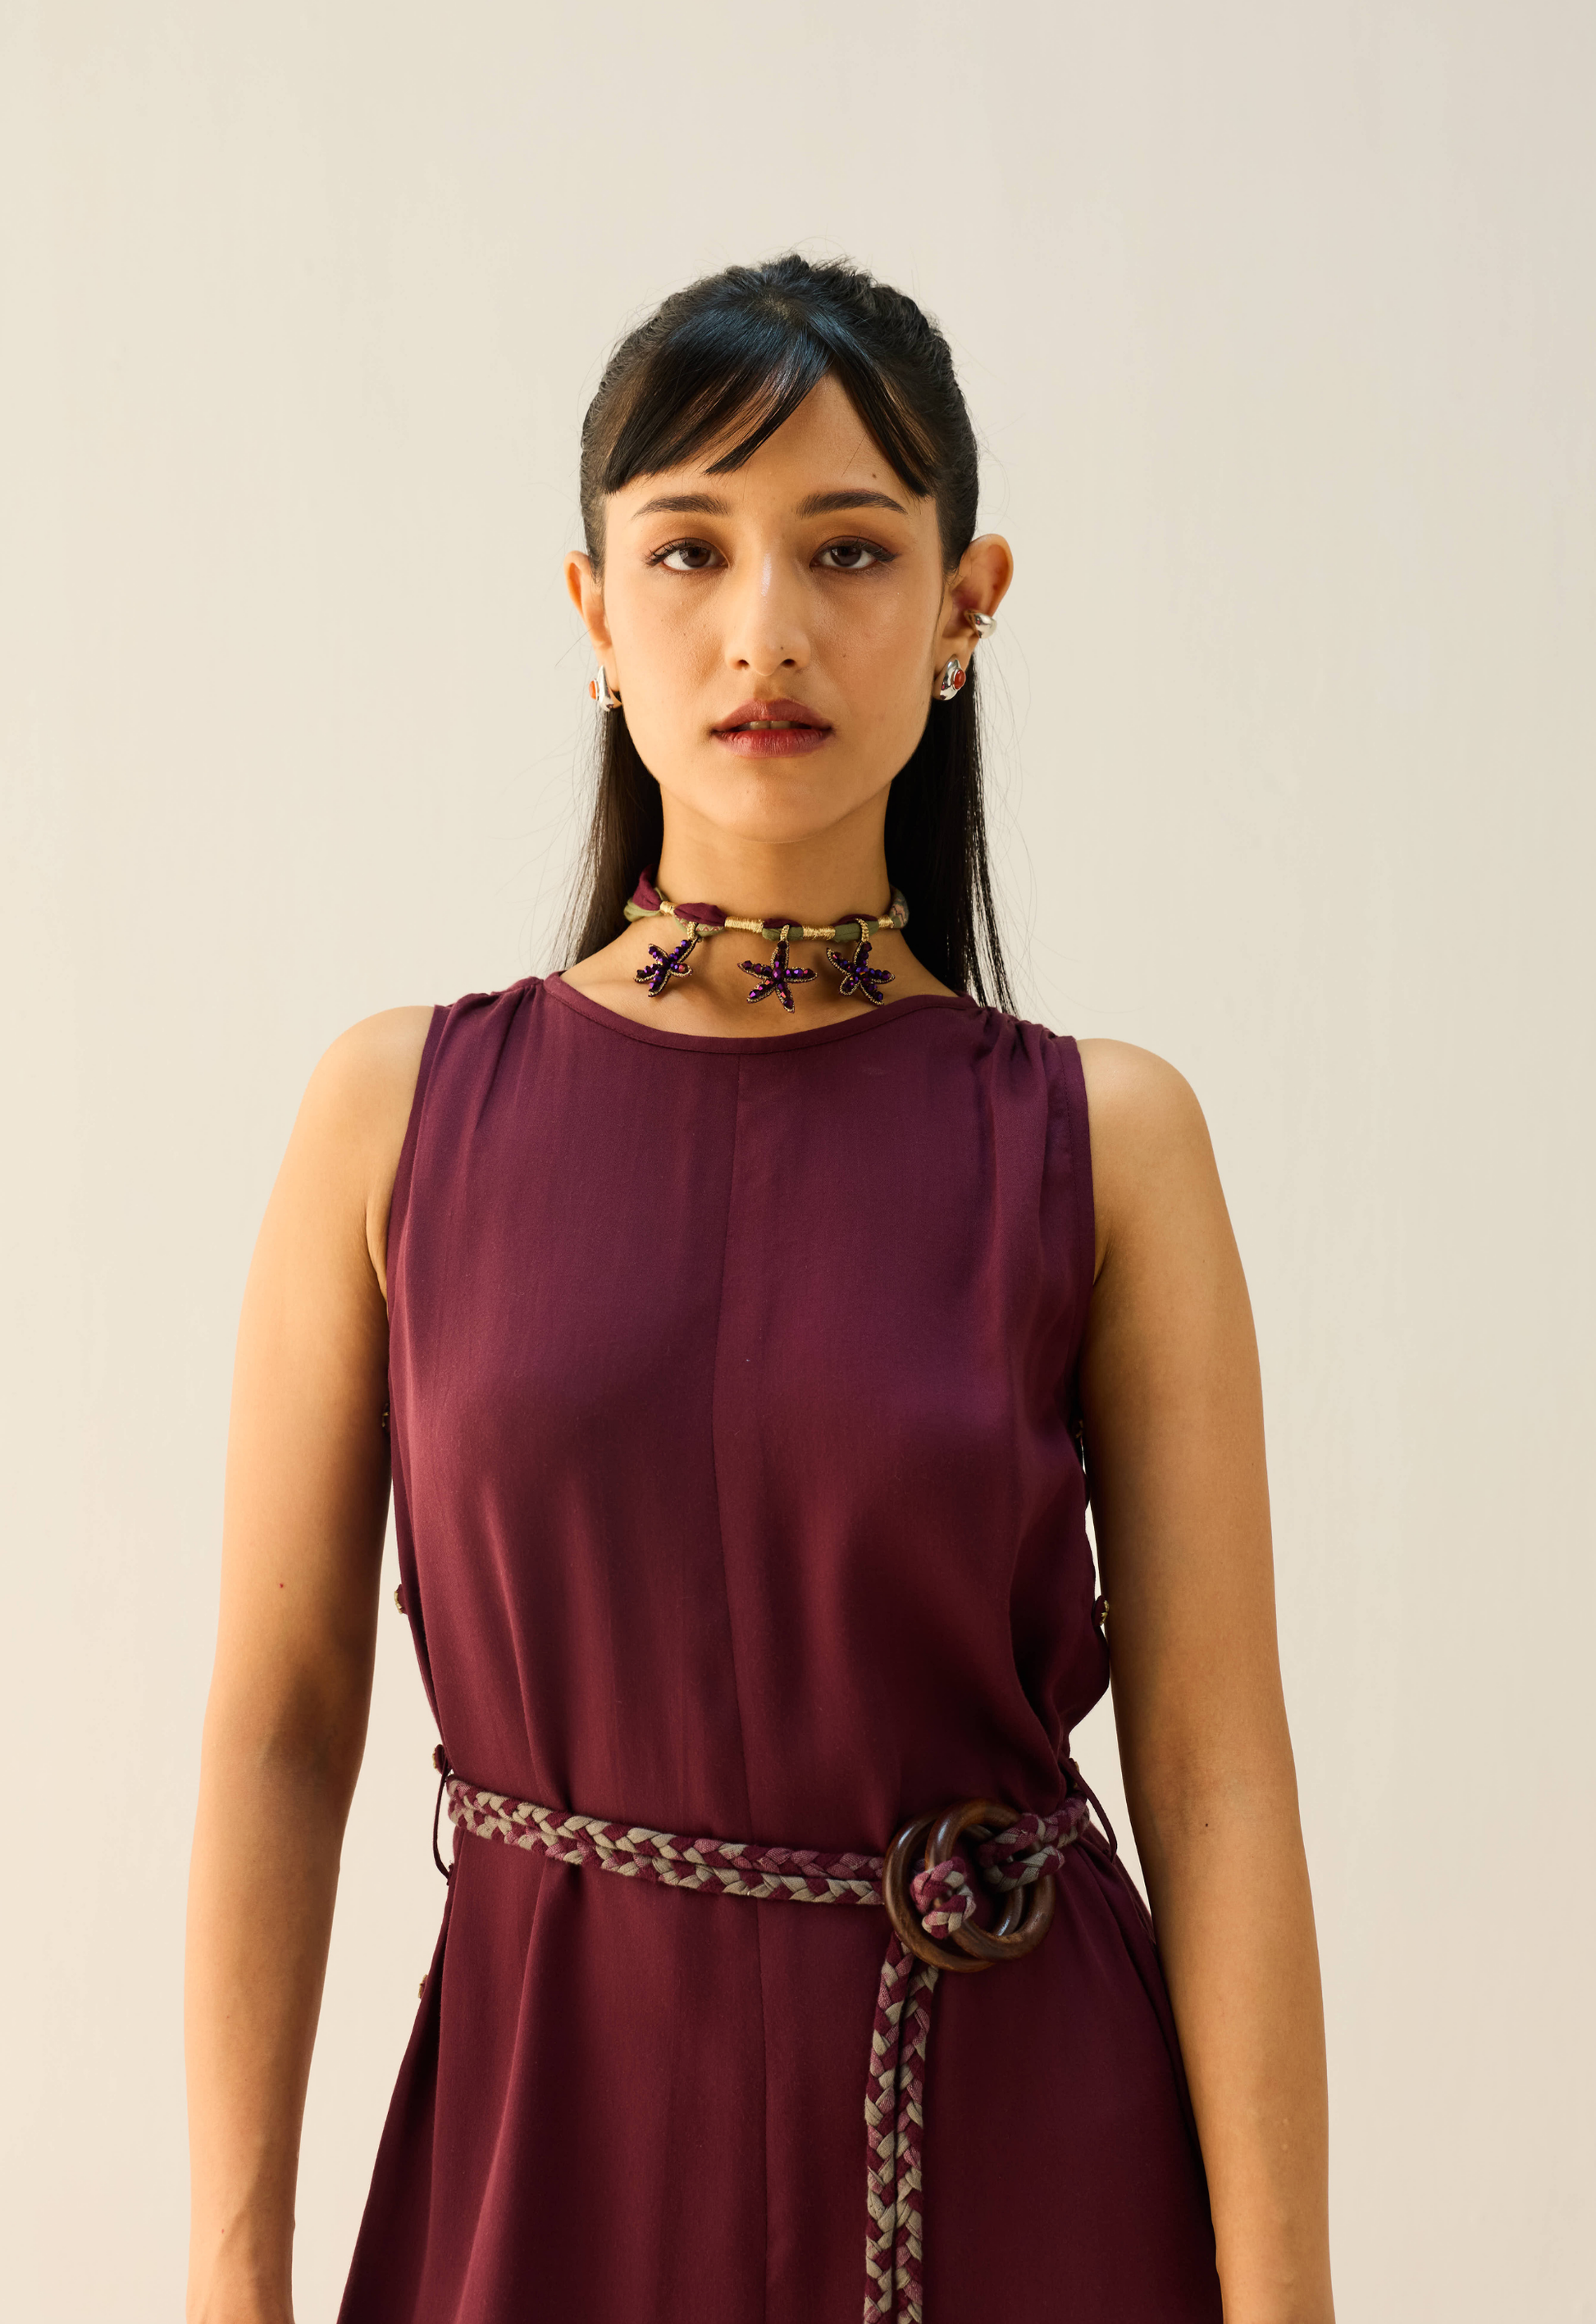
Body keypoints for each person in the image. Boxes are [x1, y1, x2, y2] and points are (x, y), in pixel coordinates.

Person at [185, 255, 1334, 2324]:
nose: (765, 629)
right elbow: (280, 1724)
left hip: (1017, 2148)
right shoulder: (392, 1118)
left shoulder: (1108, 1143)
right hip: (554, 2145)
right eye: (690, 548)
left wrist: (1289, 2306)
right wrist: (226, 2275)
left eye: (850, 550)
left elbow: (1217, 1773)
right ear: (590, 610)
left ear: (967, 604)